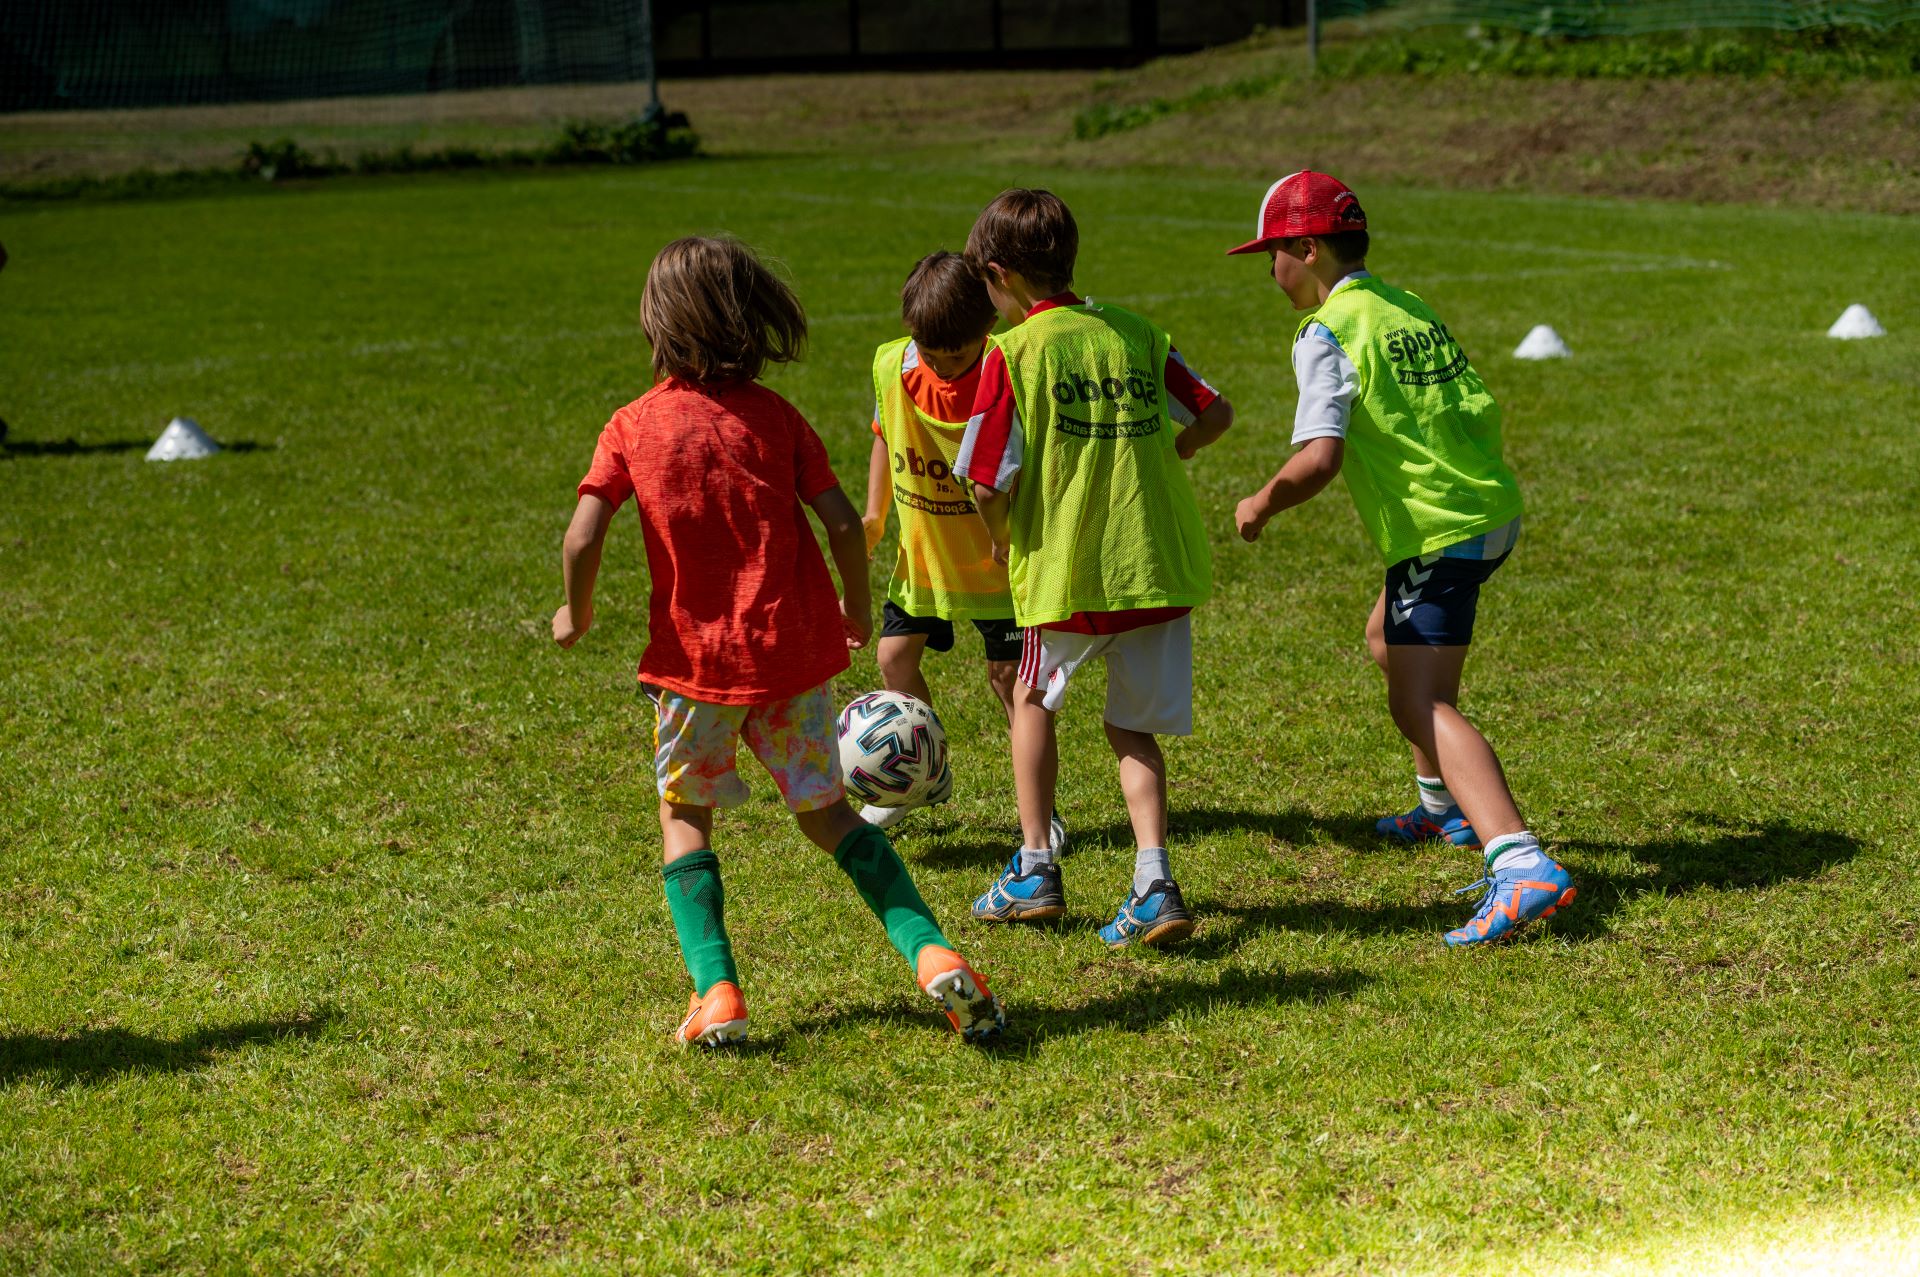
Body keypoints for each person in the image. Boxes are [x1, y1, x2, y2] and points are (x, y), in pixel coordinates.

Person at [551, 235, 1005, 1044]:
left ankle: (717, 989)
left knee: (686, 815)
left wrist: (575, 615)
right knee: (832, 815)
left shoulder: (631, 426)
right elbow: (840, 521)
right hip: (792, 662)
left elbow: (584, 537)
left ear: (658, 326)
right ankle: (932, 953)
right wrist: (855, 611)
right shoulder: (778, 418)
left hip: (695, 672)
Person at [1226, 170, 1576, 947]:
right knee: (1387, 637)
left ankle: (1520, 864)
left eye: (1273, 255)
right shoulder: (1402, 304)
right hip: (1486, 505)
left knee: (1422, 702)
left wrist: (1261, 501)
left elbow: (1319, 458)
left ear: (1307, 250)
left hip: (1439, 528)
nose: (1270, 271)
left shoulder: (1327, 331)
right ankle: (1442, 807)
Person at [955, 189, 1235, 948]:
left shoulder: (1013, 354)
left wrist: (1001, 537)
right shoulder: (1137, 333)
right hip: (1154, 567)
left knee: (1032, 697)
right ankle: (1154, 880)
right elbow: (1214, 411)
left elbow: (984, 478)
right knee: (1133, 729)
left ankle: (1036, 864)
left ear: (997, 274)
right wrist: (1166, 457)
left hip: (1070, 573)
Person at [858, 250, 1065, 853]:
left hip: (996, 564)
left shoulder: (1006, 369)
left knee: (1011, 684)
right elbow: (882, 436)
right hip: (925, 557)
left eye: (960, 354)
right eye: (935, 354)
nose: (947, 367)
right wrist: (874, 513)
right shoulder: (892, 365)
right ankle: (923, 768)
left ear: (988, 330)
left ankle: (1040, 814)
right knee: (895, 659)